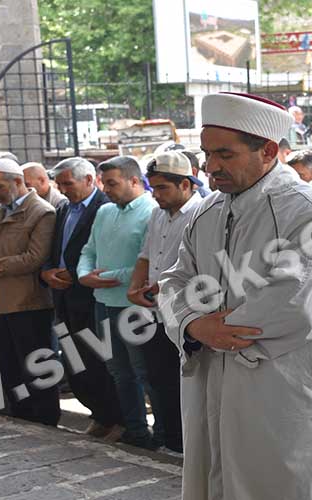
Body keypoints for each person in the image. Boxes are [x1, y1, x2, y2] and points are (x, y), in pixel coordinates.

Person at [158, 92, 312, 499]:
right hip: (213, 381)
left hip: (282, 390)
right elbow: (174, 281)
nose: (211, 166)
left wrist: (217, 329)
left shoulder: (310, 210)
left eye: (225, 154)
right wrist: (192, 324)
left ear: (268, 151)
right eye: (207, 153)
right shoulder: (206, 212)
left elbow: (296, 304)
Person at [0, 158, 59, 426]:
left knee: (36, 363)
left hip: (28, 302)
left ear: (18, 181)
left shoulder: (42, 212)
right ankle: (21, 414)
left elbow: (35, 257)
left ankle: (45, 417)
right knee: (8, 364)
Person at [77, 156, 158, 449]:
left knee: (144, 372)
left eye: (112, 183)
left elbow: (146, 263)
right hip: (103, 301)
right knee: (119, 372)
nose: (106, 190)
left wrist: (103, 277)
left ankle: (164, 433)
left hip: (133, 305)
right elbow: (89, 250)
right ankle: (136, 431)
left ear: (134, 180)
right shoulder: (105, 211)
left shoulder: (152, 211)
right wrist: (83, 275)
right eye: (104, 184)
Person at [126, 151, 204, 453]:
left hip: (186, 314)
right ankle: (170, 441)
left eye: (162, 188)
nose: (155, 194)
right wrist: (135, 287)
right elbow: (146, 255)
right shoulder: (157, 214)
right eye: (153, 187)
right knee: (158, 380)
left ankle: (188, 446)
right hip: (152, 311)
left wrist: (166, 288)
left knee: (184, 382)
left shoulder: (201, 214)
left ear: (185, 184)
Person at [42, 157, 124, 441]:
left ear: (89, 180)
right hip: (63, 298)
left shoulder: (106, 207)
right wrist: (48, 272)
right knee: (75, 362)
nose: (63, 190)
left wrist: (78, 274)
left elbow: (105, 253)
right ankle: (99, 414)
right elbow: (56, 248)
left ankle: (116, 418)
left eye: (68, 183)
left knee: (99, 362)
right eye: (59, 184)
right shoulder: (63, 208)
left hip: (91, 299)